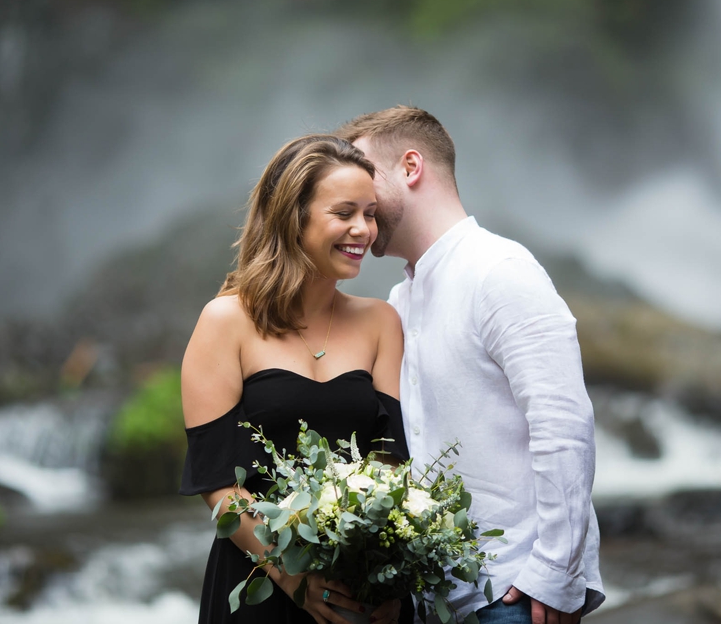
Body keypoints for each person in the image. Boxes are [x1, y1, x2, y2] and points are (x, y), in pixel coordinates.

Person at [335, 107, 604, 624]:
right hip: (436, 598)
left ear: (411, 167)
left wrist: (554, 573)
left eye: (366, 174)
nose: (357, 202)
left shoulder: (500, 271)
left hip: (513, 594)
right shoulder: (399, 299)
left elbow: (563, 424)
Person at [179, 135, 409, 624]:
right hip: (261, 586)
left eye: (369, 213)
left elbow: (391, 462)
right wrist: (293, 577)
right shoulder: (225, 322)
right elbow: (218, 485)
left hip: (364, 593)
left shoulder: (382, 322)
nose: (363, 230)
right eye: (344, 212)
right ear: (293, 217)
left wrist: (389, 575)